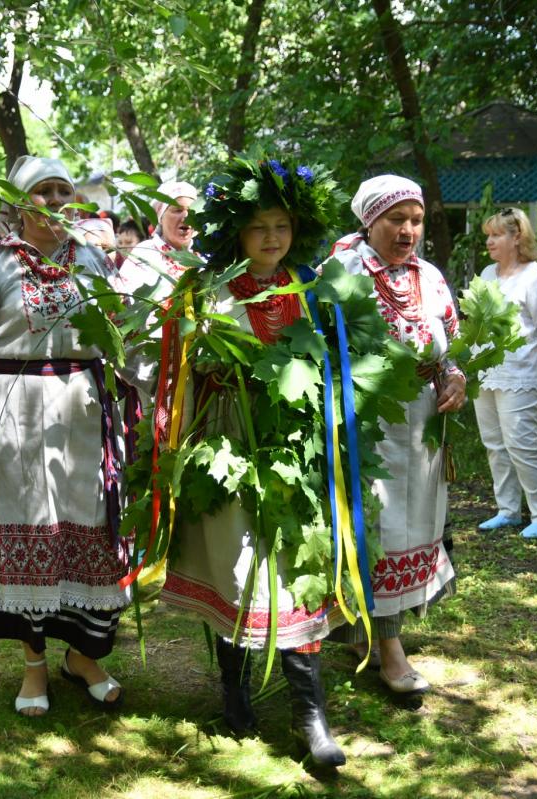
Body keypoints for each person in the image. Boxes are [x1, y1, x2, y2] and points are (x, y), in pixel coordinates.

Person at [155, 156, 349, 767]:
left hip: (295, 446)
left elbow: (336, 364)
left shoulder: (312, 287)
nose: (272, 238)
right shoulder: (206, 290)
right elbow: (179, 365)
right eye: (259, 226)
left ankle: (309, 714)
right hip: (228, 441)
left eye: (282, 226)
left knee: (295, 565)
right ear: (236, 232)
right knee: (235, 565)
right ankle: (234, 686)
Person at [0, 155, 128, 718]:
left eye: (62, 192)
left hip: (84, 407)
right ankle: (34, 663)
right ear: (19, 205)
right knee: (29, 535)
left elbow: (121, 333)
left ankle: (84, 656)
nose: (54, 203)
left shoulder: (93, 261)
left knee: (87, 532)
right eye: (42, 193)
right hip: (15, 410)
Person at [329, 175, 462, 695]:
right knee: (381, 522)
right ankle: (388, 648)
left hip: (422, 420)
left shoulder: (428, 275)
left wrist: (454, 376)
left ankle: (373, 632)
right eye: (395, 220)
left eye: (416, 220)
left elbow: (447, 340)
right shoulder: (343, 270)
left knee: (415, 521)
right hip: (367, 416)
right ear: (369, 220)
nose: (407, 231)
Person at [473, 208, 537, 539]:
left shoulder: (536, 276)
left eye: (496, 235)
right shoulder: (487, 273)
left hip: (522, 377)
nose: (489, 241)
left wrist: (536, 365)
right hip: (486, 373)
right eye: (488, 234)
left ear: (517, 237)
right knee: (495, 443)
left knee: (521, 445)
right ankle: (508, 510)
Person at [114, 181, 198, 298]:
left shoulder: (203, 256)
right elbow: (123, 303)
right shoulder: (145, 254)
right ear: (161, 217)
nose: (186, 217)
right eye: (178, 210)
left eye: (191, 210)